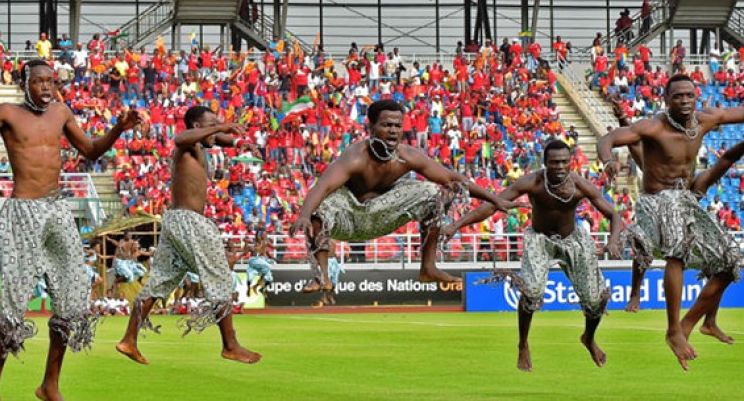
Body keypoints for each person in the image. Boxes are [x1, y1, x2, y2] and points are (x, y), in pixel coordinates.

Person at [0, 59, 139, 401]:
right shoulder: (6, 112)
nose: (45, 87)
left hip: (58, 210)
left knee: (71, 299)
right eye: (38, 81)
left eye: (50, 81)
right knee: (15, 301)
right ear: (24, 83)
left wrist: (118, 128)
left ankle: (49, 384)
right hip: (22, 211)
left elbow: (90, 150)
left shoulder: (61, 112)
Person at [290, 100, 523, 301]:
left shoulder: (408, 156)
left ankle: (428, 267)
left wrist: (494, 199)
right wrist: (303, 214)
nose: (392, 131)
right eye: (386, 125)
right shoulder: (354, 157)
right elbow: (323, 185)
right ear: (371, 128)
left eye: (397, 126)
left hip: (382, 215)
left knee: (433, 193)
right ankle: (322, 278)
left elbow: (452, 177)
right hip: (347, 216)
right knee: (316, 208)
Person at [598, 74, 743, 370]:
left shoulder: (706, 119)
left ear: (696, 95)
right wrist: (607, 160)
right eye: (678, 96)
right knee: (675, 250)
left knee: (731, 264)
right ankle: (671, 328)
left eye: (690, 95)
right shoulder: (653, 126)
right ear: (666, 100)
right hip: (656, 202)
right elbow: (609, 138)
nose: (685, 101)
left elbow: (729, 146)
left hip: (685, 201)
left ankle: (691, 324)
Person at [441, 140, 621, 372]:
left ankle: (589, 337)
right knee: (531, 292)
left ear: (571, 163)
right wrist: (457, 225)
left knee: (596, 301)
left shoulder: (580, 185)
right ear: (544, 163)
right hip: (540, 239)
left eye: (564, 162)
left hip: (573, 239)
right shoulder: (532, 182)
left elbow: (614, 215)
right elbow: (493, 205)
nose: (559, 167)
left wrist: (614, 242)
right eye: (554, 162)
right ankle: (523, 344)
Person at [116, 106, 261, 366]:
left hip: (176, 222)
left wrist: (240, 141)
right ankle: (230, 345)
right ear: (196, 126)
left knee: (158, 282)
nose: (215, 129)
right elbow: (181, 137)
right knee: (219, 277)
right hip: (190, 221)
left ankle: (129, 339)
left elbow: (220, 139)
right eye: (209, 124)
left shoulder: (200, 145)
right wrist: (219, 127)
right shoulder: (186, 145)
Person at [246, 231, 275, 297]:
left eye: (265, 235)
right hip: (256, 263)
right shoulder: (258, 242)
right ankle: (248, 289)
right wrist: (258, 231)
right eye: (263, 234)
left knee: (270, 280)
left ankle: (260, 288)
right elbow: (256, 237)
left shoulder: (265, 244)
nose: (264, 236)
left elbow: (270, 252)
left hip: (262, 262)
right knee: (250, 278)